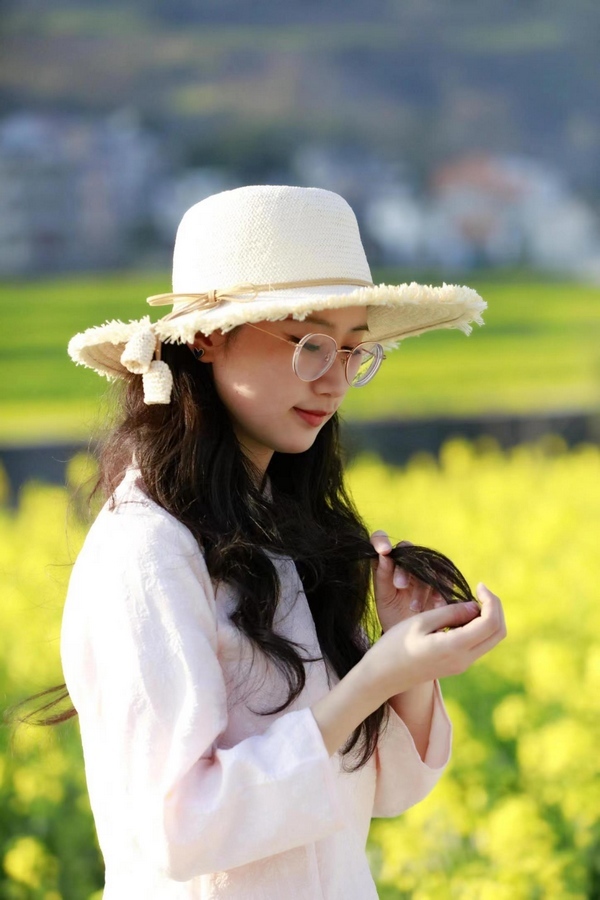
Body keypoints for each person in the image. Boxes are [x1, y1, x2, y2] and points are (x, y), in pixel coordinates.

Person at [61, 184, 506, 899]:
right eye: (309, 345)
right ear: (207, 339)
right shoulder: (145, 549)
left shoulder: (283, 526)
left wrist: (407, 668)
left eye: (353, 350)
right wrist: (374, 678)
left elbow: (384, 790)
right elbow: (181, 829)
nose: (335, 382)